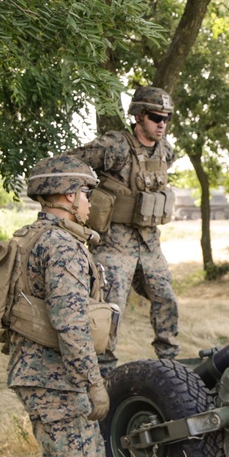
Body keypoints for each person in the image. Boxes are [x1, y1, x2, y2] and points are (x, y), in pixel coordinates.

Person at [8, 156, 113, 457]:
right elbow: (71, 324)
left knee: (90, 449)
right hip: (53, 375)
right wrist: (93, 381)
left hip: (37, 369)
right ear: (69, 197)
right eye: (86, 193)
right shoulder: (63, 246)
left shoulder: (30, 237)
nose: (90, 201)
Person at [67, 85, 180, 377]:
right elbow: (71, 162)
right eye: (156, 117)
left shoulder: (166, 149)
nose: (162, 124)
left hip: (149, 241)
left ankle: (171, 365)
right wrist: (83, 198)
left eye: (167, 118)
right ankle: (103, 374)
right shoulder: (115, 146)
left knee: (165, 297)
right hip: (114, 242)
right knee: (111, 309)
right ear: (139, 116)